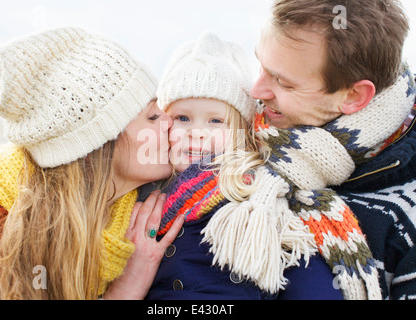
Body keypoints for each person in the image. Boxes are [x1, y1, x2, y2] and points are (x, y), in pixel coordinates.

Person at [142, 31, 370, 300]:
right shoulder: (144, 193)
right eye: (183, 118)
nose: (197, 132)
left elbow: (304, 270)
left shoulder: (259, 194)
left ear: (242, 131)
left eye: (215, 121)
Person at [0, 27, 184, 300]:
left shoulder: (146, 206)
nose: (170, 122)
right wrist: (126, 290)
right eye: (153, 116)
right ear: (96, 147)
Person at [238, 0, 415, 300]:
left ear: (354, 95)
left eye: (282, 81)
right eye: (261, 65)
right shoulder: (230, 127)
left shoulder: (406, 217)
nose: (256, 91)